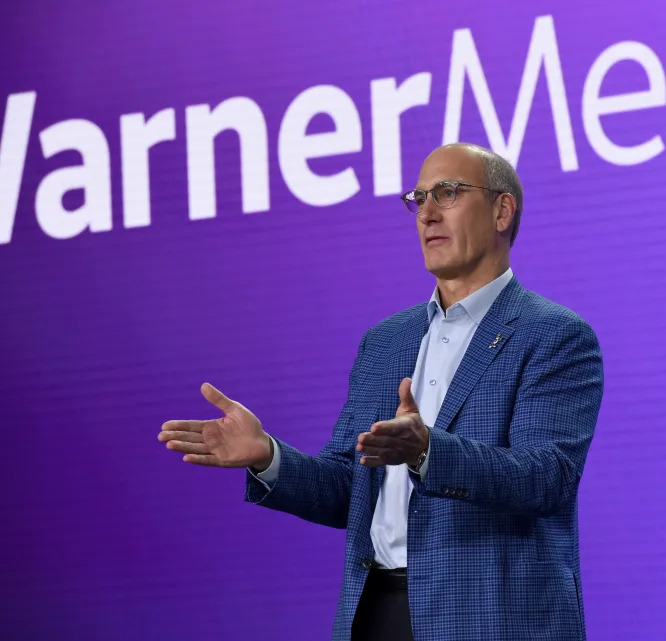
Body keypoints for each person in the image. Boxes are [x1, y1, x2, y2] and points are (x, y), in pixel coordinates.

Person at [158, 143, 604, 641]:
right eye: (418, 199)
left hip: (490, 616)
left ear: (502, 210)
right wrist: (268, 457)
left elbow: (546, 478)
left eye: (448, 193)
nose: (427, 214)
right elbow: (349, 488)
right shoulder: (385, 342)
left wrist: (428, 450)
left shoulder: (555, 336)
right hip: (376, 614)